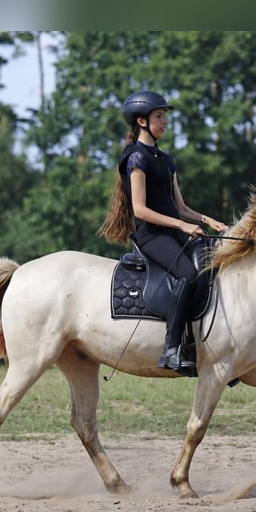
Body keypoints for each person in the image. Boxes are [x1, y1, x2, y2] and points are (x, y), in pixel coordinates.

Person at [98, 90, 227, 376]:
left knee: (212, 265)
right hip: (152, 237)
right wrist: (182, 226)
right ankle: (171, 348)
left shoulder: (166, 159)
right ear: (142, 121)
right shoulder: (135, 159)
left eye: (165, 116)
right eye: (159, 117)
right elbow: (140, 210)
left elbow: (179, 206)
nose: (165, 121)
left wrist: (209, 221)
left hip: (173, 232)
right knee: (187, 274)